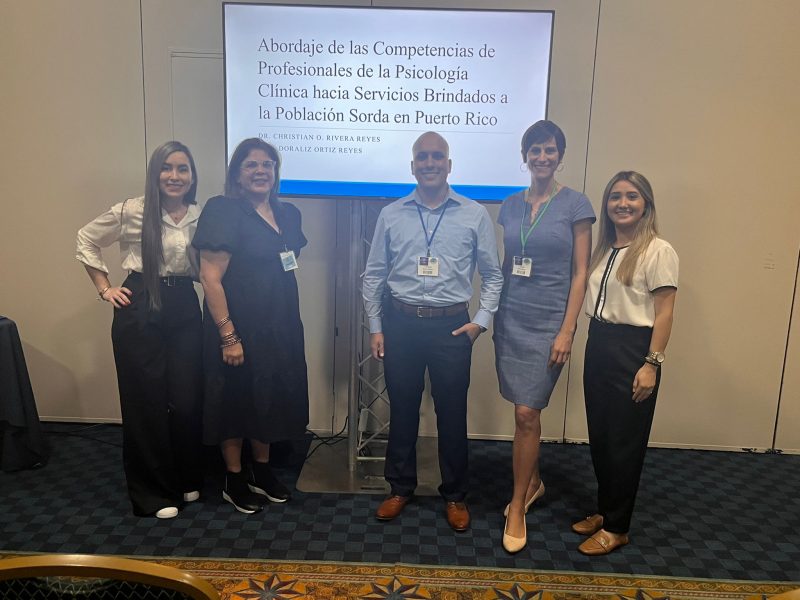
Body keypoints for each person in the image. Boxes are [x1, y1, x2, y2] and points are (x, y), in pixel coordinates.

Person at [362, 131, 503, 532]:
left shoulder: (474, 214)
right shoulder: (391, 214)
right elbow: (373, 275)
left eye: (436, 157)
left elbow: (493, 276)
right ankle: (399, 488)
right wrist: (376, 326)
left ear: (448, 164)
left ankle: (455, 495)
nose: (429, 163)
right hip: (401, 323)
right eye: (422, 157)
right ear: (412, 166)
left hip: (451, 327)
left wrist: (480, 321)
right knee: (403, 410)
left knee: (451, 414)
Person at [75, 141, 204, 518]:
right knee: (145, 401)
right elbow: (85, 239)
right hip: (141, 301)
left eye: (182, 168)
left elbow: (204, 266)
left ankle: (184, 476)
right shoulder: (132, 210)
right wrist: (105, 288)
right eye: (167, 168)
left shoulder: (199, 214)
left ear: (192, 176)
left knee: (186, 399)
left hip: (184, 303)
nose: (175, 176)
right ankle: (153, 494)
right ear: (155, 173)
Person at [493, 120, 595, 553]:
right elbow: (506, 264)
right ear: (525, 156)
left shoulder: (576, 204)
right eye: (534, 150)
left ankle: (517, 505)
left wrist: (567, 329)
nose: (542, 157)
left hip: (550, 321)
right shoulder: (509, 206)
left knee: (526, 413)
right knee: (523, 413)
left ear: (560, 156)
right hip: (511, 318)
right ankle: (533, 481)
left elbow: (580, 273)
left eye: (549, 149)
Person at [192, 138, 309, 514]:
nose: (261, 171)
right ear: (237, 174)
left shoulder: (288, 213)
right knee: (235, 399)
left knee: (268, 396)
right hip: (237, 326)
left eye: (267, 164)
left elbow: (287, 263)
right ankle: (234, 477)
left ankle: (262, 470)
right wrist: (228, 335)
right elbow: (210, 278)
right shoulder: (223, 210)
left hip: (279, 324)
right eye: (251, 165)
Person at [574, 171, 678, 555]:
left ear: (646, 203)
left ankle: (617, 528)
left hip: (633, 351)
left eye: (632, 196)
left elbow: (665, 313)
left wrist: (651, 364)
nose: (623, 203)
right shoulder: (604, 249)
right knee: (601, 436)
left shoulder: (658, 250)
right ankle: (606, 510)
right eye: (615, 196)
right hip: (599, 344)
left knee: (624, 442)